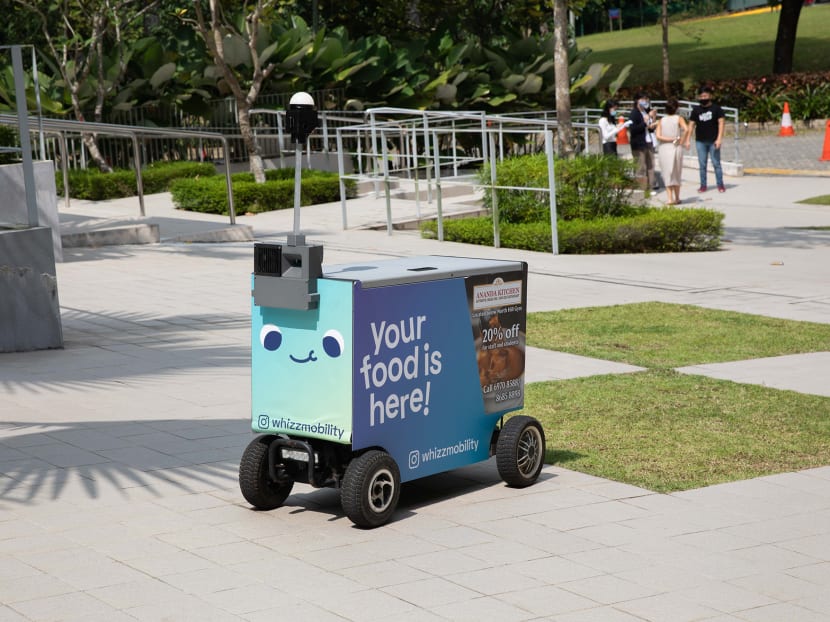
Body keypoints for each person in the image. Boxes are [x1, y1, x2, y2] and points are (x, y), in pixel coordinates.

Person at [684, 85, 726, 193]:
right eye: (701, 96)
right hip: (700, 141)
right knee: (702, 164)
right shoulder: (696, 110)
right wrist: (688, 139)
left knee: (716, 163)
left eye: (705, 96)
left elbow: (721, 123)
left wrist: (719, 139)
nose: (703, 98)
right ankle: (703, 185)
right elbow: (691, 125)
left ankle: (720, 184)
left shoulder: (717, 109)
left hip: (713, 140)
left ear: (710, 96)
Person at [655, 97, 688, 205]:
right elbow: (686, 129)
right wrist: (681, 140)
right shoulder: (679, 118)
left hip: (664, 147)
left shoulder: (661, 120)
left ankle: (669, 198)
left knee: (667, 172)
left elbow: (658, 136)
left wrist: (670, 139)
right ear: (677, 108)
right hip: (676, 146)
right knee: (676, 172)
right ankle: (677, 197)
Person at [628, 92, 659, 190]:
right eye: (642, 99)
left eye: (646, 99)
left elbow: (650, 128)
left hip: (649, 141)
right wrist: (646, 121)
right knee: (640, 166)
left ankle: (651, 186)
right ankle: (641, 188)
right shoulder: (634, 113)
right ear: (637, 100)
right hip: (639, 143)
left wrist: (653, 118)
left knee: (651, 165)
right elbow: (633, 129)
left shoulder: (646, 112)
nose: (645, 101)